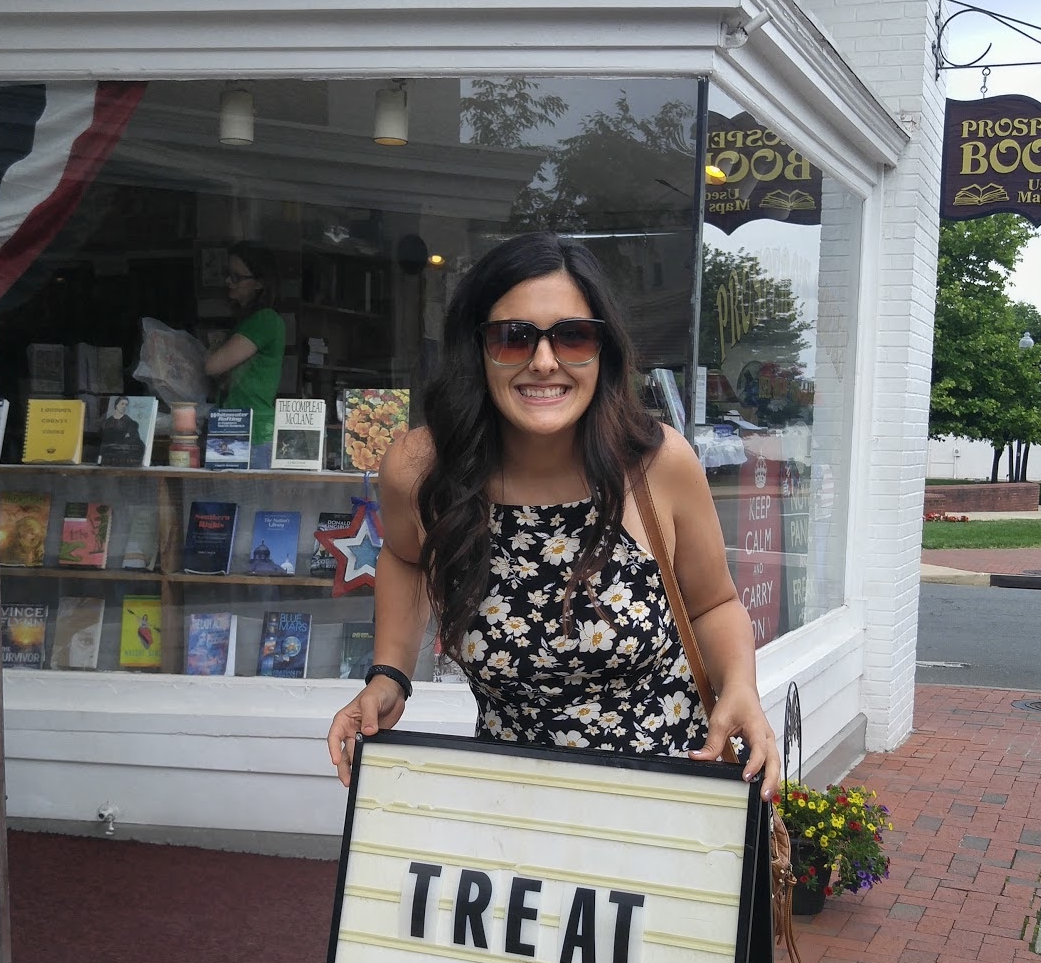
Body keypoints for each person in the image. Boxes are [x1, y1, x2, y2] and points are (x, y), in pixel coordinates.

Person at [327, 232, 780, 798]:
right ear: (478, 350)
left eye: (573, 336)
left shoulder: (656, 463)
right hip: (511, 810)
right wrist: (390, 673)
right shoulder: (422, 468)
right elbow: (403, 555)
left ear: (602, 350)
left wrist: (740, 685)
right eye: (514, 339)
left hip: (663, 807)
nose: (545, 362)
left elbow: (714, 603)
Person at [203, 243, 285, 467]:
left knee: (240, 498)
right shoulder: (250, 320)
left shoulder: (264, 319)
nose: (228, 282)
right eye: (228, 275)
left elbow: (213, 366)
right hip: (233, 425)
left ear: (260, 283)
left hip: (251, 432)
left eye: (237, 277)